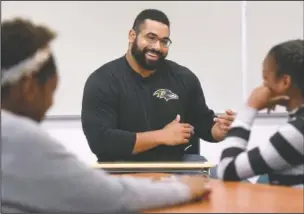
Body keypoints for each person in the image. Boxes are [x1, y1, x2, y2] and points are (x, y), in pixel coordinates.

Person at [1, 18, 211, 213]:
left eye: (163, 41)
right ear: (29, 88)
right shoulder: (18, 136)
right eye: (49, 91)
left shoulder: (183, 77)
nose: (51, 103)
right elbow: (107, 195)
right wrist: (182, 188)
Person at [81, 9, 235, 168]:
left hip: (177, 169)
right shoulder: (103, 81)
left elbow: (203, 123)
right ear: (132, 36)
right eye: (151, 38)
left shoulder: (184, 78)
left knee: (231, 181)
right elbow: (101, 141)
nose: (157, 47)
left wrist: (218, 130)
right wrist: (162, 136)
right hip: (121, 171)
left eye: (164, 41)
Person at [217, 39, 304, 187]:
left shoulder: (298, 131)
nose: (263, 86)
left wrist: (250, 107)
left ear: (285, 82)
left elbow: (227, 170)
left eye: (266, 78)